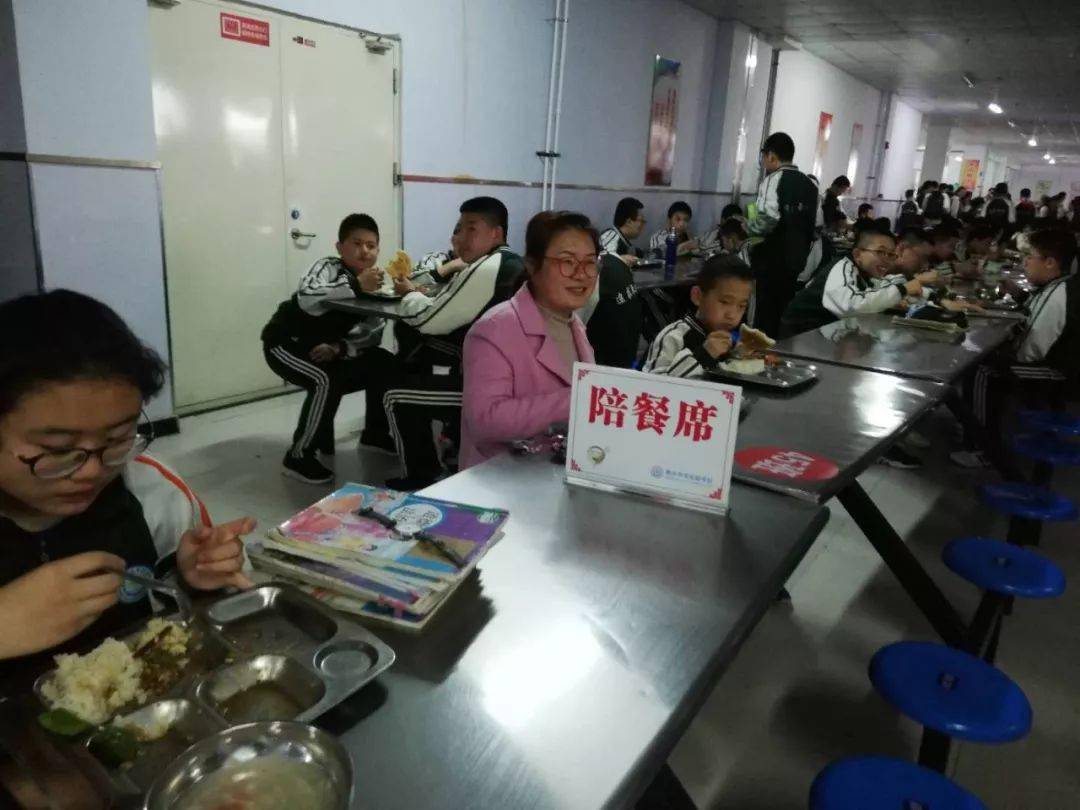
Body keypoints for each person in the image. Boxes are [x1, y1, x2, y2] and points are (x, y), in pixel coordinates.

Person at [0, 290, 254, 685]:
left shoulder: (153, 493)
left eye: (118, 439)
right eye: (58, 449)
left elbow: (184, 623)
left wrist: (195, 581)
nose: (90, 471)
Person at [377, 197, 526, 490]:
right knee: (417, 361)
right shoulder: (508, 261)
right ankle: (452, 451)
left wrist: (410, 295)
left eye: (472, 229)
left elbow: (429, 320)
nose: (461, 238)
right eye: (459, 230)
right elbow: (447, 307)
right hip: (511, 379)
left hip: (493, 391)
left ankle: (422, 479)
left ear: (496, 233)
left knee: (395, 393)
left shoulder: (488, 266)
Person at [262, 213, 394, 484]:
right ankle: (298, 456)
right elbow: (307, 297)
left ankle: (375, 434)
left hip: (328, 349)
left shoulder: (376, 283)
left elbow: (374, 331)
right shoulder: (327, 267)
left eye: (371, 245)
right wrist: (355, 285)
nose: (364, 251)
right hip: (286, 344)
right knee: (325, 379)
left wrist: (341, 347)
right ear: (340, 247)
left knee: (384, 361)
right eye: (356, 243)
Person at [460, 211, 597, 468]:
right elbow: (485, 419)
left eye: (590, 262)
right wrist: (576, 400)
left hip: (553, 475)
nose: (581, 274)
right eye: (567, 261)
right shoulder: (494, 330)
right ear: (532, 265)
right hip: (499, 482)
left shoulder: (575, 325)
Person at [953, 229, 1080, 468]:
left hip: (1063, 373)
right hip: (1060, 365)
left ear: (1050, 262)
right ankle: (972, 421)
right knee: (987, 360)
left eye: (1030, 256)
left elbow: (1030, 352)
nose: (1024, 263)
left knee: (984, 369)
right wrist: (1010, 293)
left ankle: (982, 446)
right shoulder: (1060, 285)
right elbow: (1032, 310)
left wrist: (1003, 357)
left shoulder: (1059, 293)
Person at [781, 227, 935, 337]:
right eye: (881, 252)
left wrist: (927, 294)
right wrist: (903, 290)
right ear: (858, 253)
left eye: (891, 255)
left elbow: (883, 286)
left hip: (827, 335)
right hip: (801, 339)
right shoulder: (842, 266)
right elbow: (852, 304)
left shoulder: (866, 273)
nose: (887, 260)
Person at [747, 131, 818, 336]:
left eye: (763, 157)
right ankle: (781, 354)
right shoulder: (810, 184)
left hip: (771, 260)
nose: (763, 162)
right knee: (784, 312)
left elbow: (767, 218)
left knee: (765, 314)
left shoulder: (773, 179)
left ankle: (762, 355)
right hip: (797, 262)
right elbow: (817, 224)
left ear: (770, 156)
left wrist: (749, 227)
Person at [642, 255, 754, 379]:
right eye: (724, 302)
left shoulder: (732, 340)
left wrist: (739, 356)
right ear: (697, 296)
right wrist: (704, 355)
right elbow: (654, 388)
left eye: (741, 306)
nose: (732, 315)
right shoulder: (673, 337)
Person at [598, 197, 646, 266]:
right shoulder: (612, 235)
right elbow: (600, 262)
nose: (643, 225)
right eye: (641, 221)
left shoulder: (625, 243)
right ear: (628, 222)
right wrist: (620, 259)